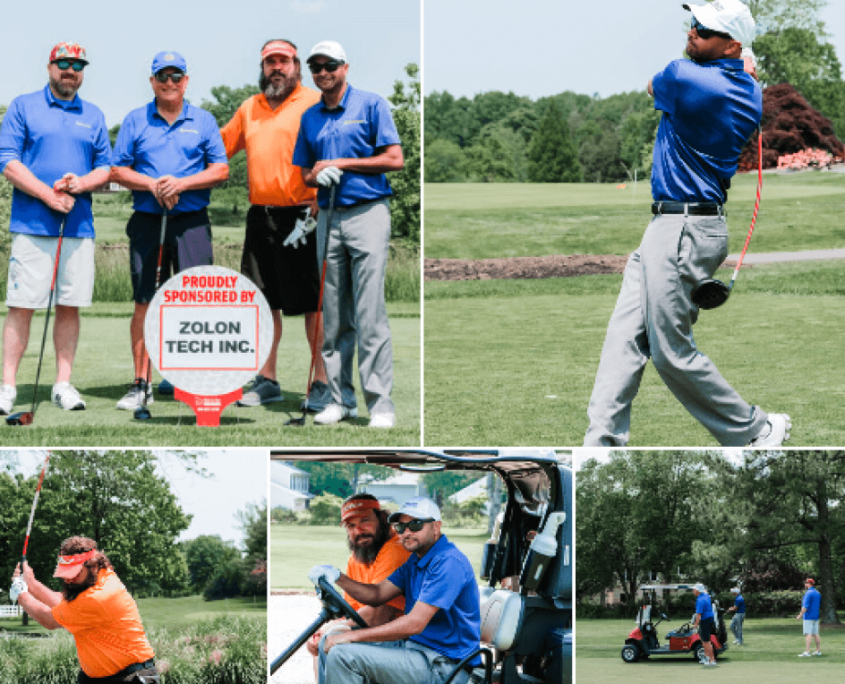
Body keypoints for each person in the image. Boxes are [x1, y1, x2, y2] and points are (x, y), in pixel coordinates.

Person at [583, 0, 791, 448]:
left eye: (705, 29)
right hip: (677, 228)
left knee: (671, 352)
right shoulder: (747, 89)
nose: (693, 30)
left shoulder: (684, 77)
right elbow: (738, 69)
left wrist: (736, 61)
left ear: (732, 43)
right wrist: (742, 62)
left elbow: (652, 84)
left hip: (683, 230)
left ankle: (754, 429)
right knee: (623, 338)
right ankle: (600, 444)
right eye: (693, 22)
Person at [220, 39, 351, 411]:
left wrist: (317, 201)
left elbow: (332, 153)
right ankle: (268, 379)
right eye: (269, 62)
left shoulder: (313, 102)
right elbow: (219, 148)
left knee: (314, 304)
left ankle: (322, 382)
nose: (276, 68)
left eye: (284, 61)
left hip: (305, 215)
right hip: (261, 217)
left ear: (296, 65)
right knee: (262, 302)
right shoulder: (250, 107)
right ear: (262, 67)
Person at [293, 41, 404, 428]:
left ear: (345, 67)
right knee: (334, 313)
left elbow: (395, 159)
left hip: (368, 212)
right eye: (316, 67)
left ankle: (381, 404)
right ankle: (341, 401)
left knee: (369, 311)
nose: (323, 72)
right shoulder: (309, 118)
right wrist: (317, 175)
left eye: (330, 65)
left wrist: (343, 163)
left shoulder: (371, 105)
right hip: (328, 215)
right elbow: (305, 171)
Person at [111, 51, 228, 410]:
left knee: (196, 303)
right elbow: (118, 170)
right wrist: (154, 185)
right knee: (145, 301)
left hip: (192, 222)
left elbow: (220, 170)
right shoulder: (135, 120)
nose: (170, 83)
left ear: (186, 81)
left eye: (177, 76)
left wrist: (182, 184)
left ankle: (188, 379)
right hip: (148, 221)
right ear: (152, 81)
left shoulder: (204, 120)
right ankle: (140, 382)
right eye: (163, 76)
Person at [0, 42, 111, 414]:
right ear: (50, 67)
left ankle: (62, 384)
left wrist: (81, 183)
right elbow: (8, 162)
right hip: (32, 226)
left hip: (77, 228)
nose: (70, 70)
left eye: (78, 64)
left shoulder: (93, 114)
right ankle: (7, 387)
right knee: (21, 306)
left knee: (69, 306)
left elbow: (105, 168)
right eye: (63, 63)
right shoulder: (24, 106)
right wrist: (49, 196)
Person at [309, 496, 480, 684]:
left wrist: (352, 636)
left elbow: (414, 624)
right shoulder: (415, 561)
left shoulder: (448, 563)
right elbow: (377, 594)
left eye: (415, 525)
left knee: (343, 656)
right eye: (401, 527)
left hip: (444, 664)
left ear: (436, 526)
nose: (406, 532)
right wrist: (338, 577)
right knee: (331, 641)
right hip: (416, 649)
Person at [9, 536, 159, 682]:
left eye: (74, 573)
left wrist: (20, 594)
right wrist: (31, 583)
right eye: (65, 573)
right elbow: (67, 605)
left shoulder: (97, 597)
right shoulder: (102, 575)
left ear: (92, 564)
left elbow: (48, 619)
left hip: (131, 677)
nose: (69, 579)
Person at [305, 494, 411, 677]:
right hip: (377, 633)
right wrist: (323, 630)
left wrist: (332, 631)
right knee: (324, 640)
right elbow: (352, 612)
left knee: (333, 642)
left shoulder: (396, 549)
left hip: (404, 639)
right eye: (351, 526)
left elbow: (378, 617)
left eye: (365, 520)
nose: (359, 530)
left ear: (381, 519)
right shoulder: (357, 557)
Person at [692, 583, 717, 667]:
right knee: (703, 641)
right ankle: (707, 658)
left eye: (694, 589)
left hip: (705, 621)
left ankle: (712, 660)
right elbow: (705, 591)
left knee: (706, 642)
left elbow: (698, 615)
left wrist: (695, 625)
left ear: (698, 591)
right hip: (709, 619)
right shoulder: (705, 595)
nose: (693, 591)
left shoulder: (700, 600)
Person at [796, 577, 821, 656]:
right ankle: (817, 651)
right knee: (816, 633)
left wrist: (800, 614)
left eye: (806, 583)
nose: (805, 584)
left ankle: (807, 652)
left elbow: (805, 606)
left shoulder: (808, 593)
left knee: (808, 634)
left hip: (808, 616)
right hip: (816, 616)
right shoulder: (817, 593)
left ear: (808, 584)